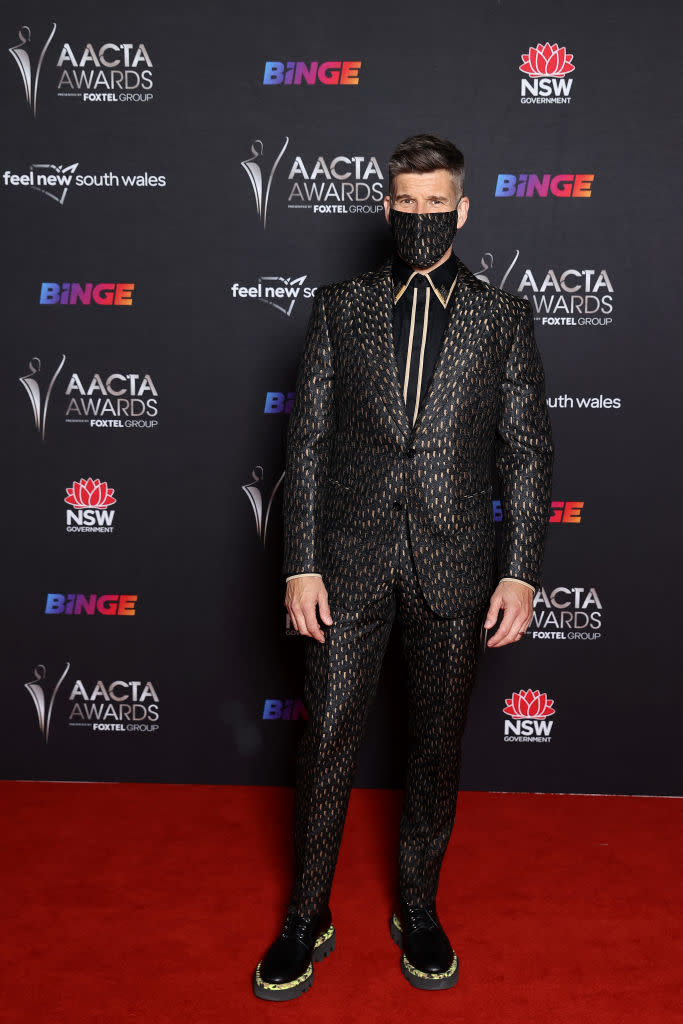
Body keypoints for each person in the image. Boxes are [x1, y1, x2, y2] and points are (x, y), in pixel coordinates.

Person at [253, 133, 554, 1000]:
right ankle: (304, 915)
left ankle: (417, 909)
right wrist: (299, 564)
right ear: (386, 207)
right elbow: (305, 442)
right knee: (326, 740)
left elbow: (527, 455)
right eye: (405, 204)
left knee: (433, 749)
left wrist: (520, 571)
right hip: (343, 565)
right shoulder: (338, 307)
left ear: (461, 210)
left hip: (455, 564)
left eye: (436, 206)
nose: (419, 219)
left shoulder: (503, 319)